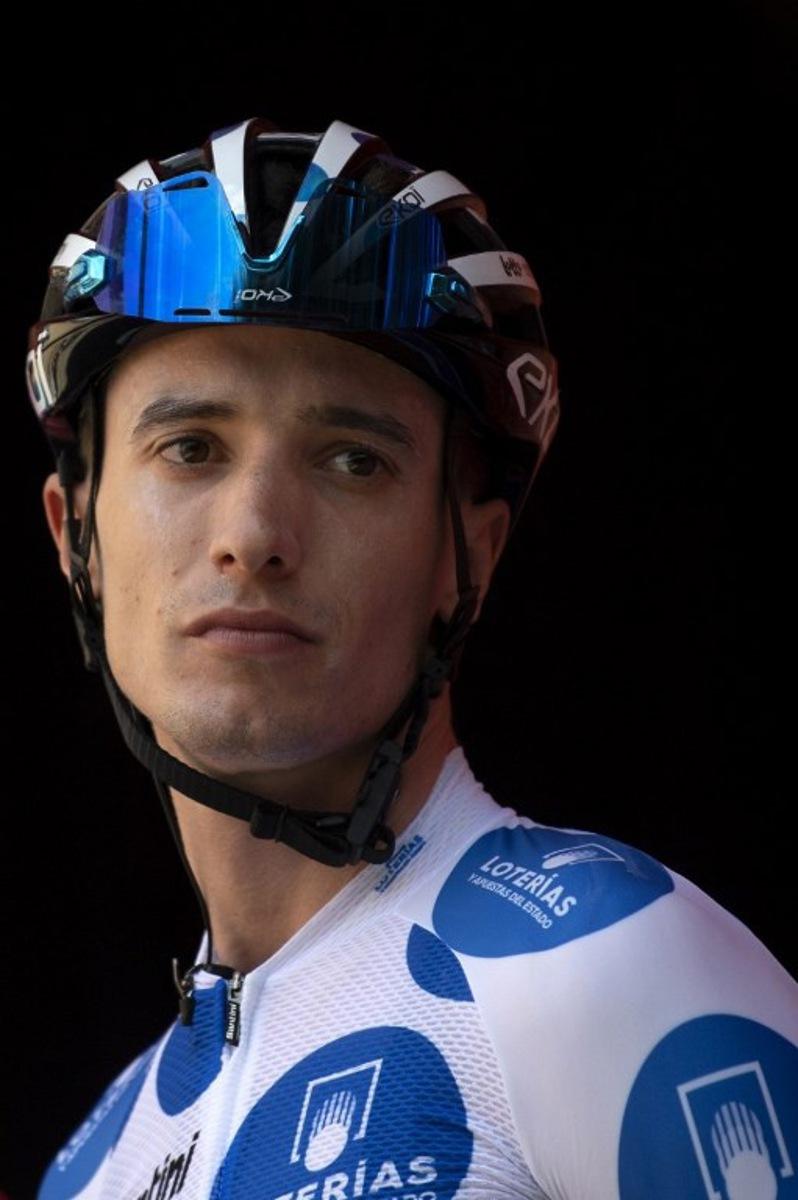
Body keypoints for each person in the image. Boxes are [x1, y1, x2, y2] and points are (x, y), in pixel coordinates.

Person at [27, 113, 797, 1200]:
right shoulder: (90, 1162)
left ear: (468, 556)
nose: (255, 534)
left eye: (352, 459)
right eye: (190, 447)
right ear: (76, 537)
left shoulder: (618, 977)